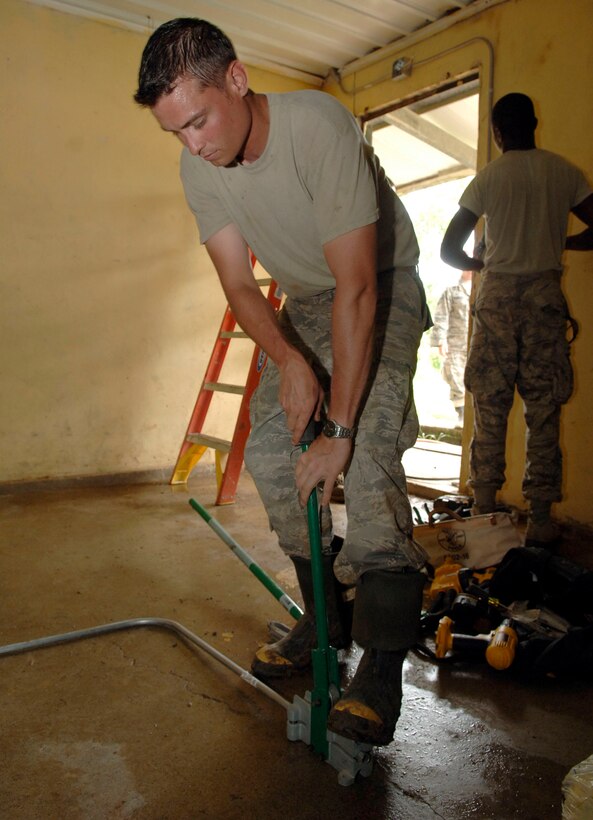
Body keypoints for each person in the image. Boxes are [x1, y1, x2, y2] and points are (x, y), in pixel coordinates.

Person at [135, 18, 431, 747]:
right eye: (175, 132)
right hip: (303, 301)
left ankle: (382, 668)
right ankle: (324, 625)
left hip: (378, 289)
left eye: (198, 121)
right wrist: (293, 361)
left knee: (361, 461)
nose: (193, 145)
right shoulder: (198, 165)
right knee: (272, 455)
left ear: (235, 79)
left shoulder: (316, 125)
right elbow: (238, 284)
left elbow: (357, 290)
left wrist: (338, 429)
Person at [441, 92, 593, 546]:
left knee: (491, 407)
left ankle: (485, 511)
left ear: (497, 132)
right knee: (543, 411)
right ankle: (541, 521)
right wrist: (560, 246)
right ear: (534, 123)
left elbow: (449, 249)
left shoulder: (488, 179)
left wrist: (482, 263)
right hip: (545, 297)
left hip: (499, 300)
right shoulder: (563, 173)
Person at [430, 269, 472, 426]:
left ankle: (471, 417)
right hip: (455, 345)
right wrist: (440, 340)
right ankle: (462, 417)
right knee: (455, 377)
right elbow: (442, 316)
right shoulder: (452, 291)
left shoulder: (479, 289)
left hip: (474, 344)